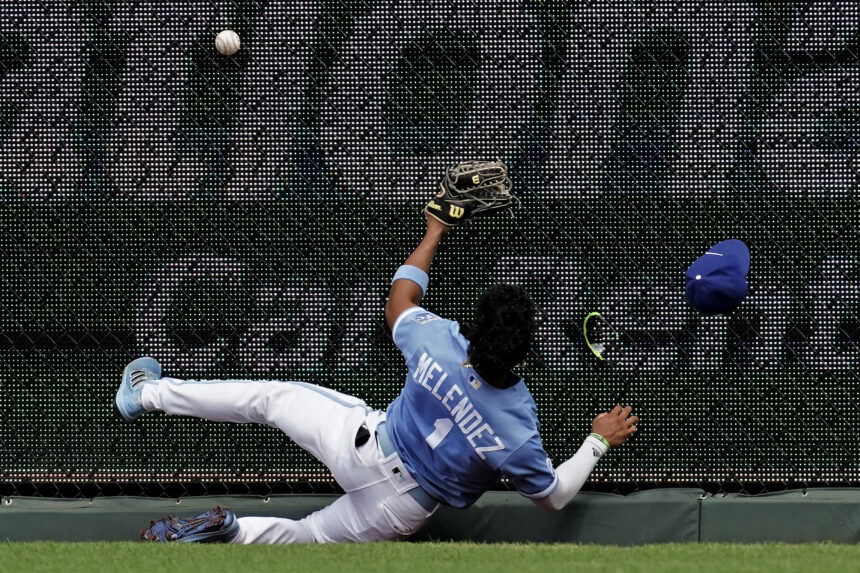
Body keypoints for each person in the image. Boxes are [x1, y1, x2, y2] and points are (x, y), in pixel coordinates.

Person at [115, 214, 639, 544]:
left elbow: (400, 300)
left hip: (361, 445)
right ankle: (234, 533)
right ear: (525, 355)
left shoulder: (442, 342)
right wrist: (597, 439)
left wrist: (435, 229)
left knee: (269, 397)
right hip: (401, 508)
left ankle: (148, 394)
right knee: (306, 539)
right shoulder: (517, 426)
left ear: (475, 330)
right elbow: (552, 496)